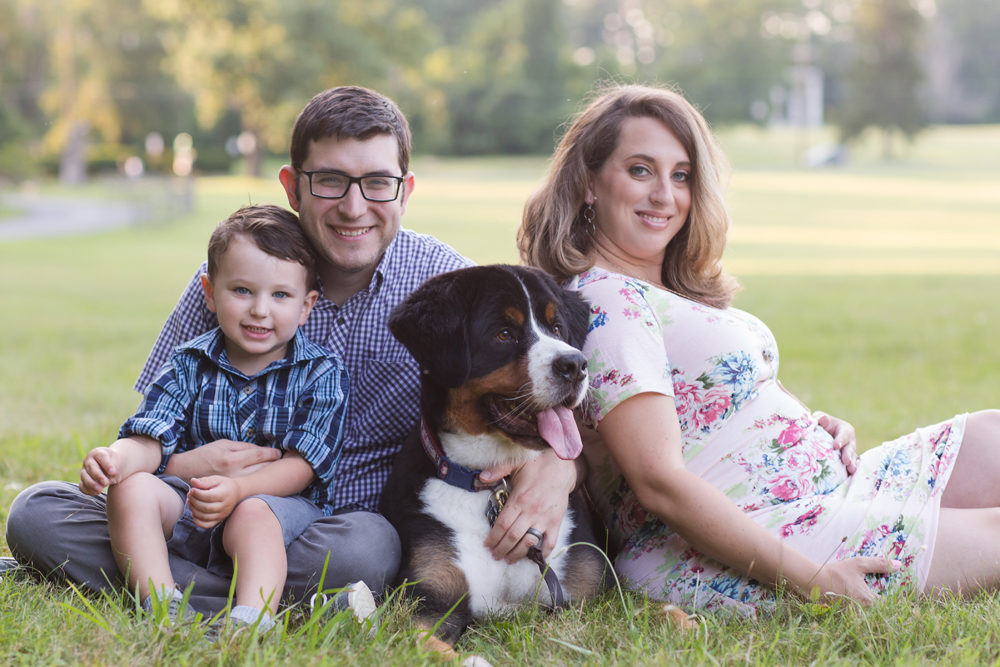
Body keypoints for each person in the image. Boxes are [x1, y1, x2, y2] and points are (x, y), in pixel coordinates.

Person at [6, 85, 581, 615]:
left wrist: (559, 468)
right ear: (291, 184)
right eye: (330, 180)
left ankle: (170, 590)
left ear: (405, 190)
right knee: (36, 514)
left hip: (327, 531)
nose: (354, 207)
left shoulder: (451, 286)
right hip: (192, 510)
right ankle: (259, 601)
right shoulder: (233, 277)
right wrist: (186, 466)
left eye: (377, 183)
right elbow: (155, 425)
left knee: (371, 551)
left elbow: (539, 380)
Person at [518, 82, 1000, 615]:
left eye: (681, 176)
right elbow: (657, 482)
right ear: (588, 183)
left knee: (994, 435)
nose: (665, 195)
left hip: (829, 489)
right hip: (754, 537)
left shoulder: (667, 291)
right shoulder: (607, 298)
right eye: (640, 170)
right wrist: (817, 579)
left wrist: (808, 424)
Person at [77, 204, 345, 631]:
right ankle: (163, 607)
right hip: (191, 504)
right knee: (128, 492)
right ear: (209, 290)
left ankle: (252, 618)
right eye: (242, 290)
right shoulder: (188, 363)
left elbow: (301, 467)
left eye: (280, 295)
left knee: (259, 516)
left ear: (307, 305)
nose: (260, 310)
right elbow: (151, 436)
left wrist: (239, 489)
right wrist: (115, 460)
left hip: (276, 513)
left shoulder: (321, 373)